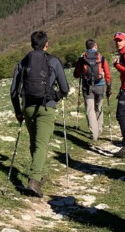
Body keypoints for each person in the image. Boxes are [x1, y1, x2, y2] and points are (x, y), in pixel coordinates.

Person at [10, 30, 70, 197]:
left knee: (34, 142)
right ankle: (34, 180)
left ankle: (41, 174)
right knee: (41, 144)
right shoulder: (53, 61)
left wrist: (18, 111)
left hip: (28, 107)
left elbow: (13, 91)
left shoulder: (22, 62)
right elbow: (65, 89)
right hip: (46, 107)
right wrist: (56, 96)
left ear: (31, 44)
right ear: (46, 44)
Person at [73, 39, 111, 142]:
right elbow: (107, 73)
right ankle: (99, 129)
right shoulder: (101, 58)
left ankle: (94, 134)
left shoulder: (82, 59)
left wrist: (81, 69)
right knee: (98, 107)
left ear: (86, 47)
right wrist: (109, 87)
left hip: (87, 87)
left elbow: (76, 75)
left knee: (90, 110)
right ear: (95, 46)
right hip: (100, 86)